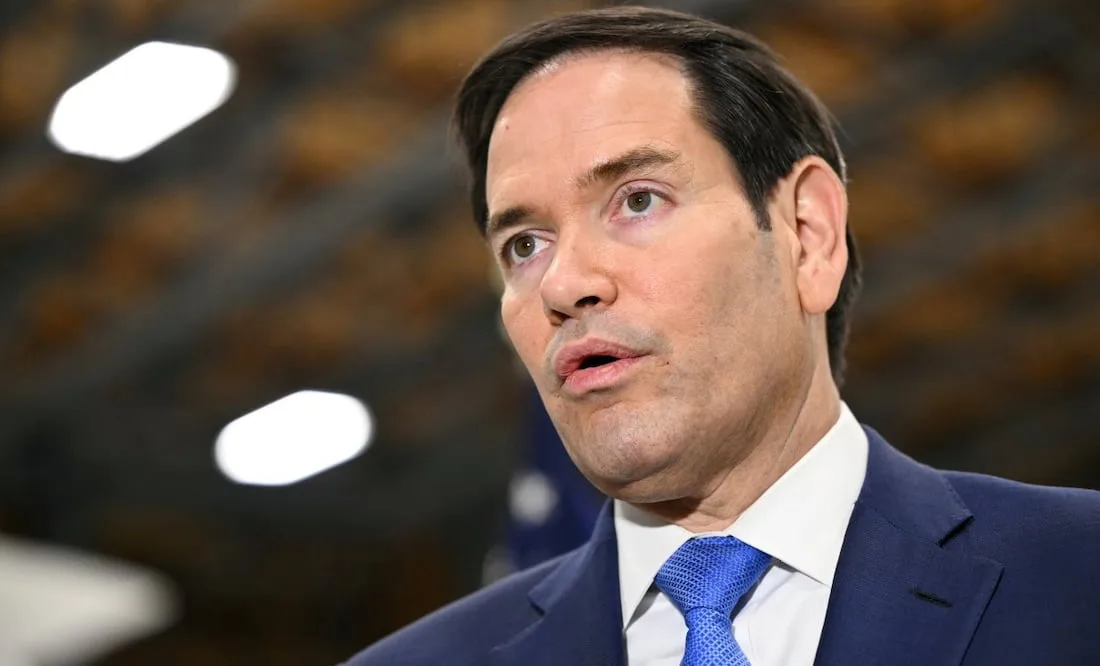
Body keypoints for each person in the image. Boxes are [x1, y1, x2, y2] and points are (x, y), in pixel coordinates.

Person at [345, 7, 1100, 665]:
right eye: (524, 244)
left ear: (807, 236)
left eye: (638, 200)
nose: (563, 283)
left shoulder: (1077, 577)